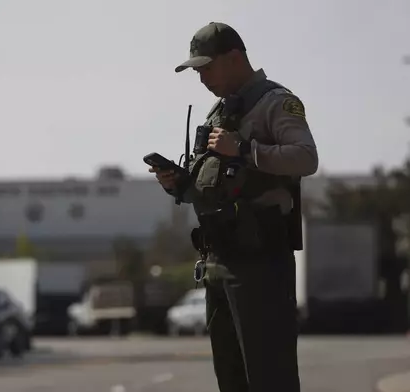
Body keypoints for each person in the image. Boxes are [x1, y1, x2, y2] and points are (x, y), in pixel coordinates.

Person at [149, 22, 318, 392]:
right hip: (218, 259)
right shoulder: (218, 113)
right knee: (232, 379)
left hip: (259, 260)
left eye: (206, 67)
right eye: (197, 71)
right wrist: (179, 183)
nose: (202, 78)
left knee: (270, 378)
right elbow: (212, 186)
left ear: (234, 58)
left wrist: (244, 149)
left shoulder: (275, 102)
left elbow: (306, 158)